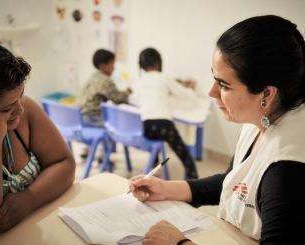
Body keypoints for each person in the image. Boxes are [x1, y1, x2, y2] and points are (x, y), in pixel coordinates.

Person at [129, 15, 305, 245]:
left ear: (267, 95)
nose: (211, 92)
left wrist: (181, 244)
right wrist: (167, 189)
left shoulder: (287, 169)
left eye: (223, 84)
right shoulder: (262, 120)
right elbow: (235, 183)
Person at [0, 30, 76, 242]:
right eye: (7, 108)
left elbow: (64, 163)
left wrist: (29, 199)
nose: (20, 111)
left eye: (20, 97)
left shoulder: (26, 110)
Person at [135, 48, 198, 179]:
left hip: (146, 128)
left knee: (156, 141)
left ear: (141, 65)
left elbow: (134, 98)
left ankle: (154, 165)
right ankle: (192, 175)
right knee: (184, 154)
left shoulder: (139, 81)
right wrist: (192, 90)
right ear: (158, 62)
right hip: (163, 126)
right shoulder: (164, 78)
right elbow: (183, 94)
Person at [80, 49, 130, 126]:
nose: (114, 68)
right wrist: (129, 91)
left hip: (82, 117)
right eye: (112, 64)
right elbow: (118, 99)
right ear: (102, 65)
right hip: (93, 119)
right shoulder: (105, 80)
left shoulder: (93, 76)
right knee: (123, 123)